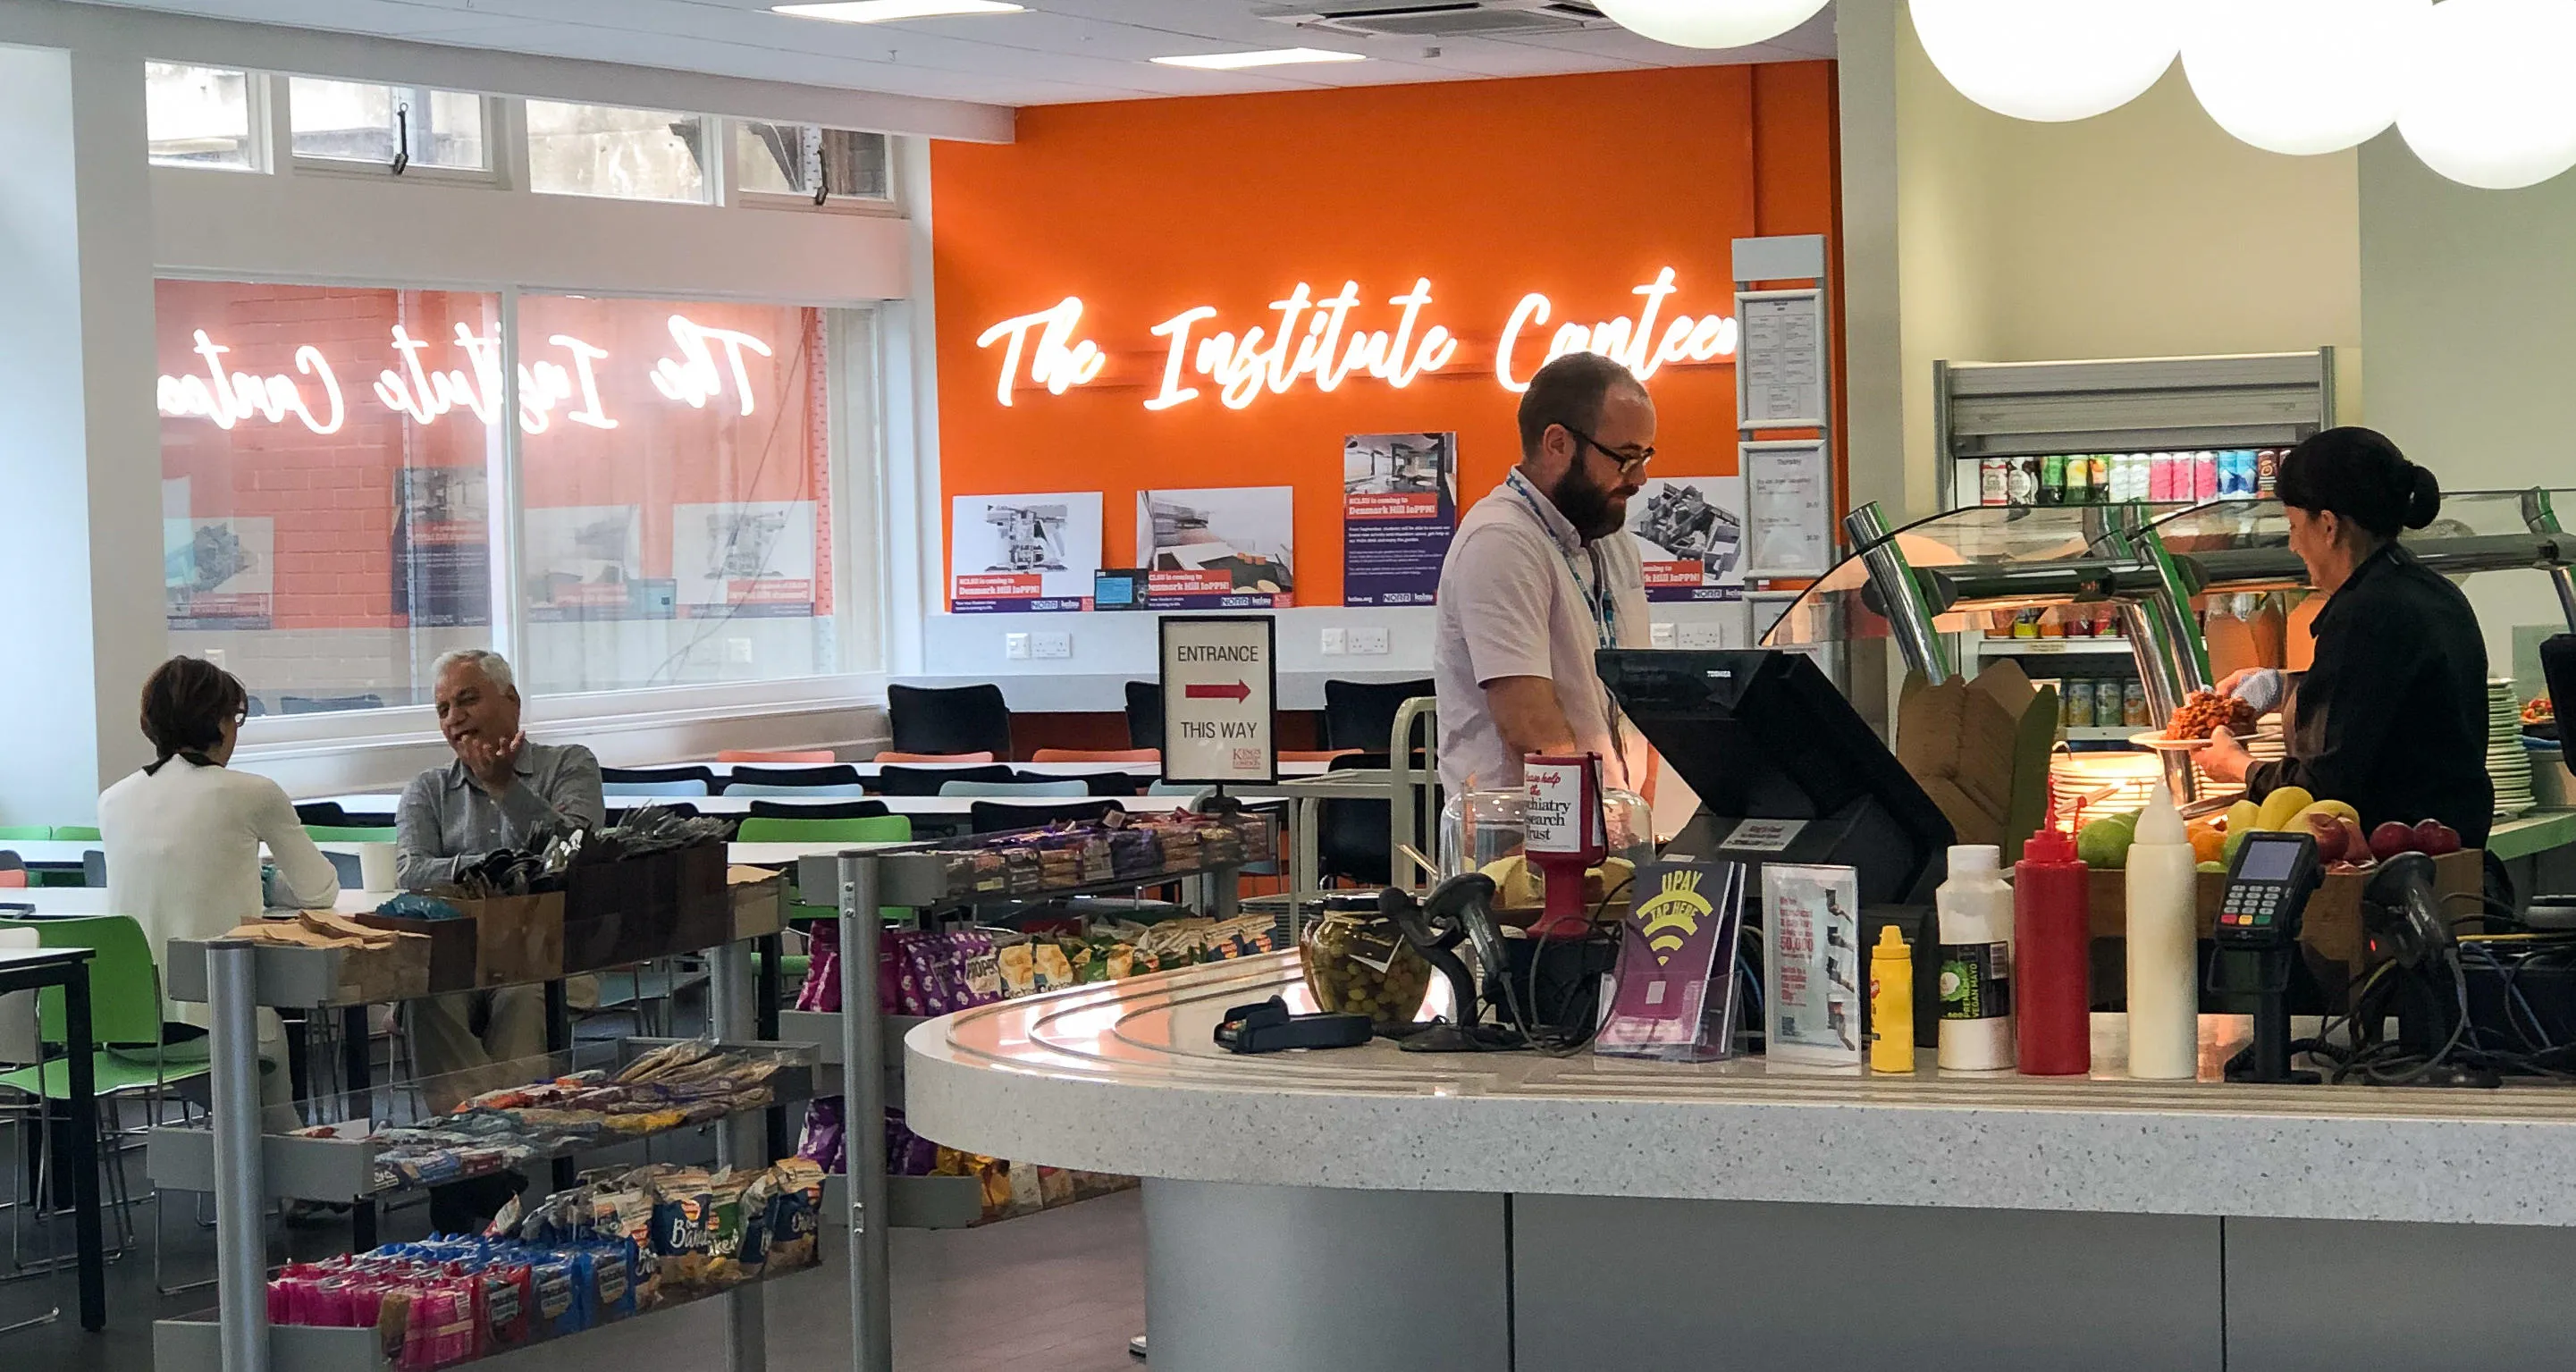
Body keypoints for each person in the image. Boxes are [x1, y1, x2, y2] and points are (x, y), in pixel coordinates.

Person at [2199, 428, 2494, 849]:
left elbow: (2325, 784)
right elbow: (2385, 699)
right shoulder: (2430, 590)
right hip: (2447, 848)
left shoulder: (2366, 613)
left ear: (2329, 525)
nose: (2293, 545)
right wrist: (2283, 685)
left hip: (2389, 856)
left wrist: (2238, 765)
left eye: (2294, 525)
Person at [97, 656, 339, 1123]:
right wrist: (268, 883)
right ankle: (297, 1186)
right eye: (236, 717)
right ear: (221, 722)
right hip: (225, 1030)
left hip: (130, 1033)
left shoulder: (112, 800)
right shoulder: (254, 792)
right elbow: (320, 890)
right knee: (275, 1122)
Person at [1433, 350, 1656, 796]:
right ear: (1557, 443)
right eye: (1626, 458)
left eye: (1645, 456)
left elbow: (1640, 697)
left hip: (1611, 830)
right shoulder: (1500, 539)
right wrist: (1596, 834)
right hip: (1523, 845)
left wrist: (1638, 825)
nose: (1641, 477)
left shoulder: (1612, 540)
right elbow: (1531, 726)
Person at [397, 649, 602, 1102]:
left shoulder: (569, 764)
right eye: (443, 708)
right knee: (426, 997)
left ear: (512, 702)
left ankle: (512, 1132)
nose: (455, 718)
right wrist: (494, 869)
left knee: (523, 996)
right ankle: (472, 1135)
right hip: (460, 955)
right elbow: (411, 872)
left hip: (549, 952)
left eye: (467, 700)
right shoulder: (427, 790)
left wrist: (505, 788)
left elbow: (576, 853)